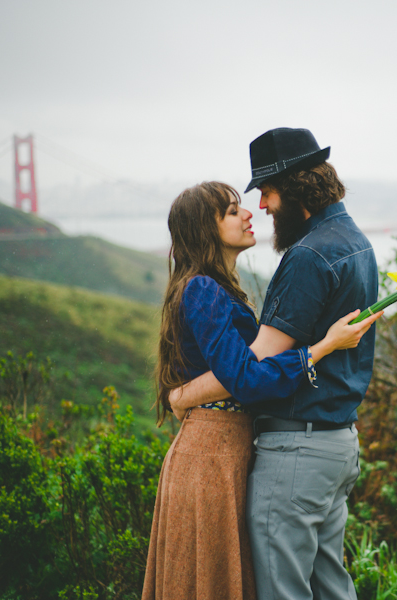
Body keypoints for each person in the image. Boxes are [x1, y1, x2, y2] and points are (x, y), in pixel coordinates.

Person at [142, 181, 380, 600]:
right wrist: (323, 346)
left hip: (229, 449)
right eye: (233, 211)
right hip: (210, 455)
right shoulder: (202, 289)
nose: (250, 213)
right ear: (205, 228)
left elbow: (242, 370)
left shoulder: (222, 289)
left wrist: (183, 395)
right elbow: (248, 379)